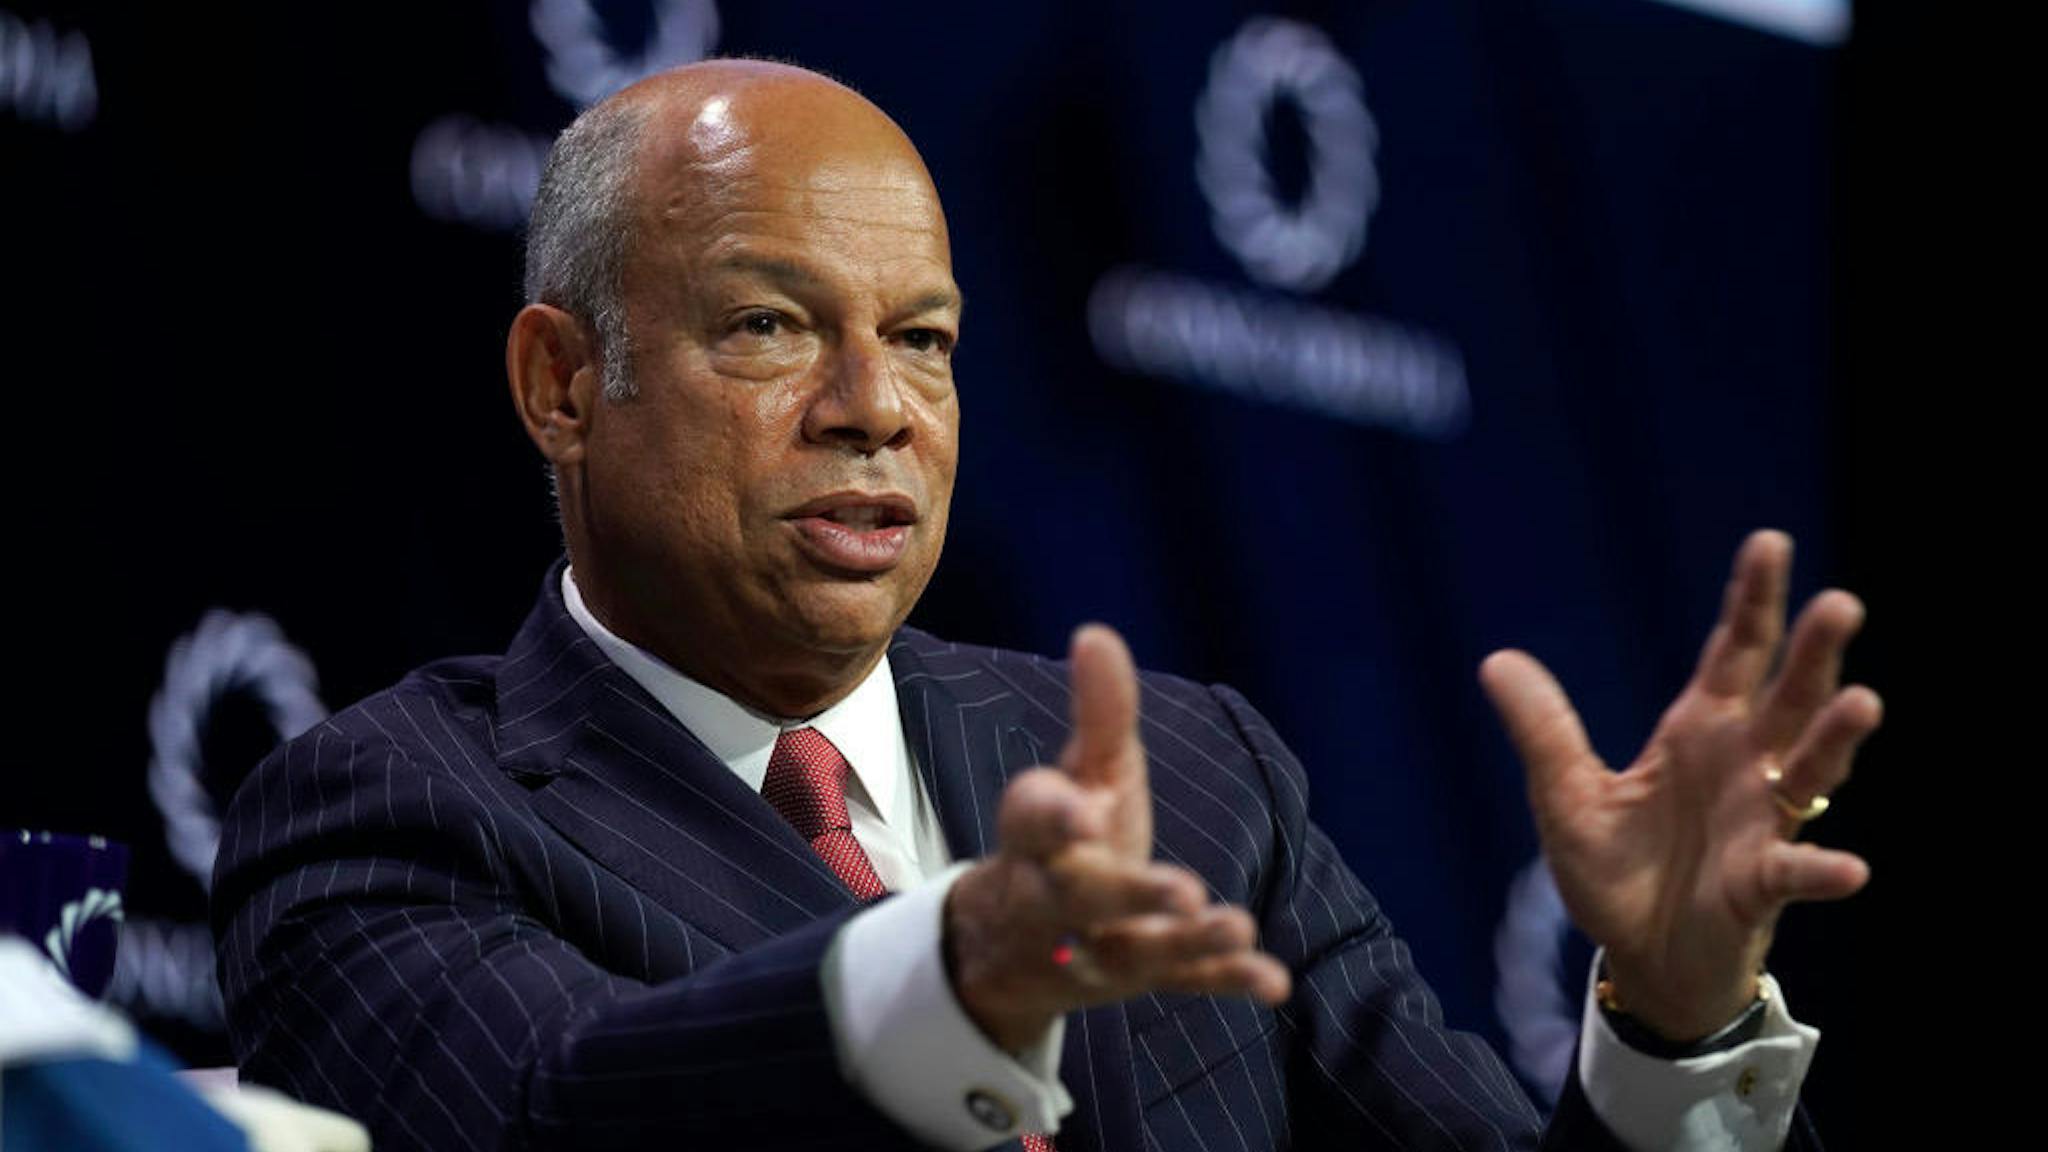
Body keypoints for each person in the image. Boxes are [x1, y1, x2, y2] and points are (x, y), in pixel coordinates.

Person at [211, 59, 1878, 1152]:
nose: (881, 407)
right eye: (775, 326)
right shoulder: (388, 815)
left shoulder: (1199, 777)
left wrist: (1673, 1022)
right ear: (563, 384)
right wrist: (950, 980)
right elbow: (550, 1121)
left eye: (925, 338)